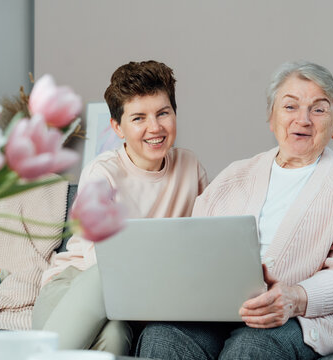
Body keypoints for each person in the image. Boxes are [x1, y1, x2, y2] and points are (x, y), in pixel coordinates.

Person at [136, 61, 333, 359]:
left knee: (253, 345)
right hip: (225, 311)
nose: (303, 119)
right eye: (290, 107)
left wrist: (296, 297)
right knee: (161, 337)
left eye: (319, 109)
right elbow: (195, 249)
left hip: (314, 315)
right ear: (272, 118)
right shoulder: (235, 175)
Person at [32, 60, 208, 355]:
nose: (155, 127)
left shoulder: (190, 167)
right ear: (118, 127)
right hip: (75, 286)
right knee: (107, 271)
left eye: (163, 113)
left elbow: (205, 242)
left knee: (114, 336)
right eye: (139, 118)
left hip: (135, 300)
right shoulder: (103, 173)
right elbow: (101, 262)